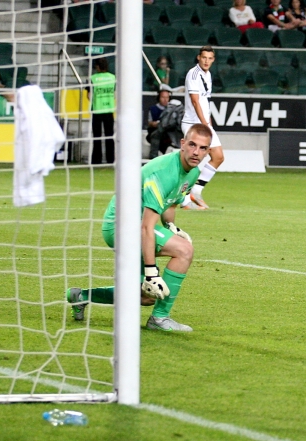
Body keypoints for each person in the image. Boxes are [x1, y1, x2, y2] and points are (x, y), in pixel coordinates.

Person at [66, 124, 213, 332]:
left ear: (208, 152)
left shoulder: (192, 172)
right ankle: (160, 319)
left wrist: (171, 227)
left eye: (203, 148)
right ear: (182, 144)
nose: (196, 152)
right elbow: (146, 227)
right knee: (184, 251)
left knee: (146, 295)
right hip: (121, 224)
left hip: (134, 223)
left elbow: (170, 203)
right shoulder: (164, 172)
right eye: (192, 145)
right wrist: (152, 272)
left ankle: (80, 296)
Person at [179, 46, 224, 211]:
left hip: (205, 122)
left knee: (218, 156)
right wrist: (205, 123)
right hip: (193, 123)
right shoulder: (193, 74)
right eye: (204, 57)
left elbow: (205, 102)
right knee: (190, 162)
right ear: (199, 58)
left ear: (213, 60)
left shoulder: (208, 74)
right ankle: (183, 200)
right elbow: (195, 101)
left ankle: (196, 191)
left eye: (210, 58)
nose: (206, 61)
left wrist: (208, 120)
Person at [89, 57, 116, 164]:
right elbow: (114, 92)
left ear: (97, 67)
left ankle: (97, 160)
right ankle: (111, 159)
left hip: (97, 109)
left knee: (97, 137)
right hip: (109, 109)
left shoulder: (93, 78)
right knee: (110, 136)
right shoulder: (113, 77)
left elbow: (89, 95)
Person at [146, 89, 170, 158]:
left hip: (169, 132)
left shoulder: (172, 108)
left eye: (167, 97)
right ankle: (153, 158)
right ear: (159, 98)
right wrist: (158, 124)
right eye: (163, 97)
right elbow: (150, 123)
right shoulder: (153, 109)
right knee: (155, 135)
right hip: (156, 131)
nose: (165, 100)